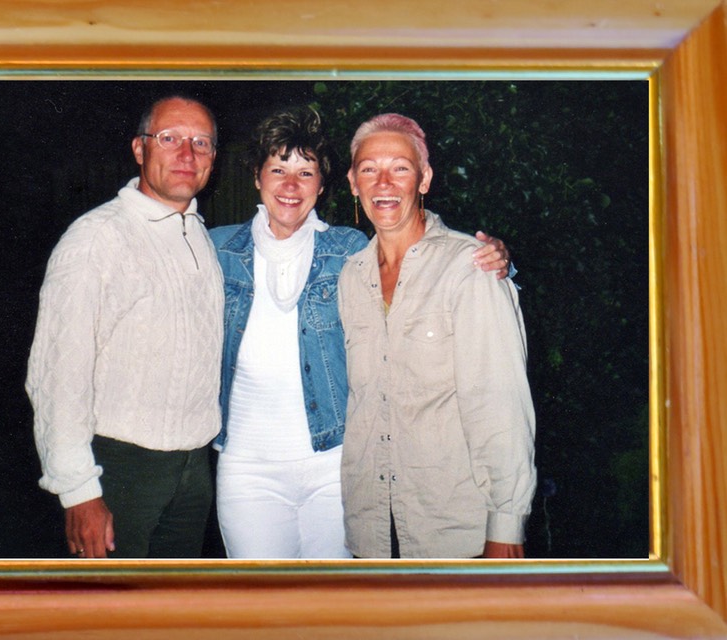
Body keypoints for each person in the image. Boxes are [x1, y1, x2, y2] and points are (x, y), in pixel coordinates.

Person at [209, 107, 512, 558]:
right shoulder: (213, 248)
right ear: (256, 177)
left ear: (324, 185)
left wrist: (500, 265)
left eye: (305, 172)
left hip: (336, 466)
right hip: (247, 469)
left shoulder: (348, 253)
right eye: (277, 169)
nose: (291, 185)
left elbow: (429, 259)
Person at [26, 96, 224, 558]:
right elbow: (57, 372)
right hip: (121, 469)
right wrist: (78, 491)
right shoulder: (98, 238)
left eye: (201, 143)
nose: (187, 155)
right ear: (139, 149)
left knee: (173, 612)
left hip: (194, 468)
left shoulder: (196, 233)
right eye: (170, 139)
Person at [338, 113, 537, 559]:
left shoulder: (472, 268)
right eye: (369, 169)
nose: (383, 182)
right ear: (353, 182)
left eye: (401, 168)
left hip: (451, 528)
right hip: (369, 528)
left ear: (424, 179)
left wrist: (506, 524)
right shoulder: (351, 276)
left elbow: (500, 406)